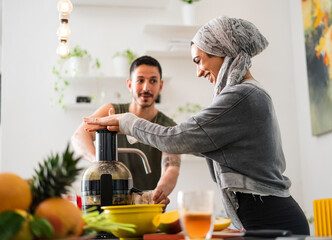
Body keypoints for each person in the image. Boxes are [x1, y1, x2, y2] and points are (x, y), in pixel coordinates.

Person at [83, 16, 310, 235]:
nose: (198, 71)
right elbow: (188, 141)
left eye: (198, 60)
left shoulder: (243, 96)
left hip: (272, 219)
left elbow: (176, 139)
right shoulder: (248, 94)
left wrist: (126, 121)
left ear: (222, 50)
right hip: (262, 218)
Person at [72, 55, 181, 206]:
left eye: (153, 81)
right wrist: (100, 163)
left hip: (144, 207)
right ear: (129, 84)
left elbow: (171, 168)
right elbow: (79, 136)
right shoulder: (112, 112)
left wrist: (157, 193)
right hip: (109, 206)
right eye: (140, 80)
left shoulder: (168, 126)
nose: (146, 88)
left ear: (160, 86)